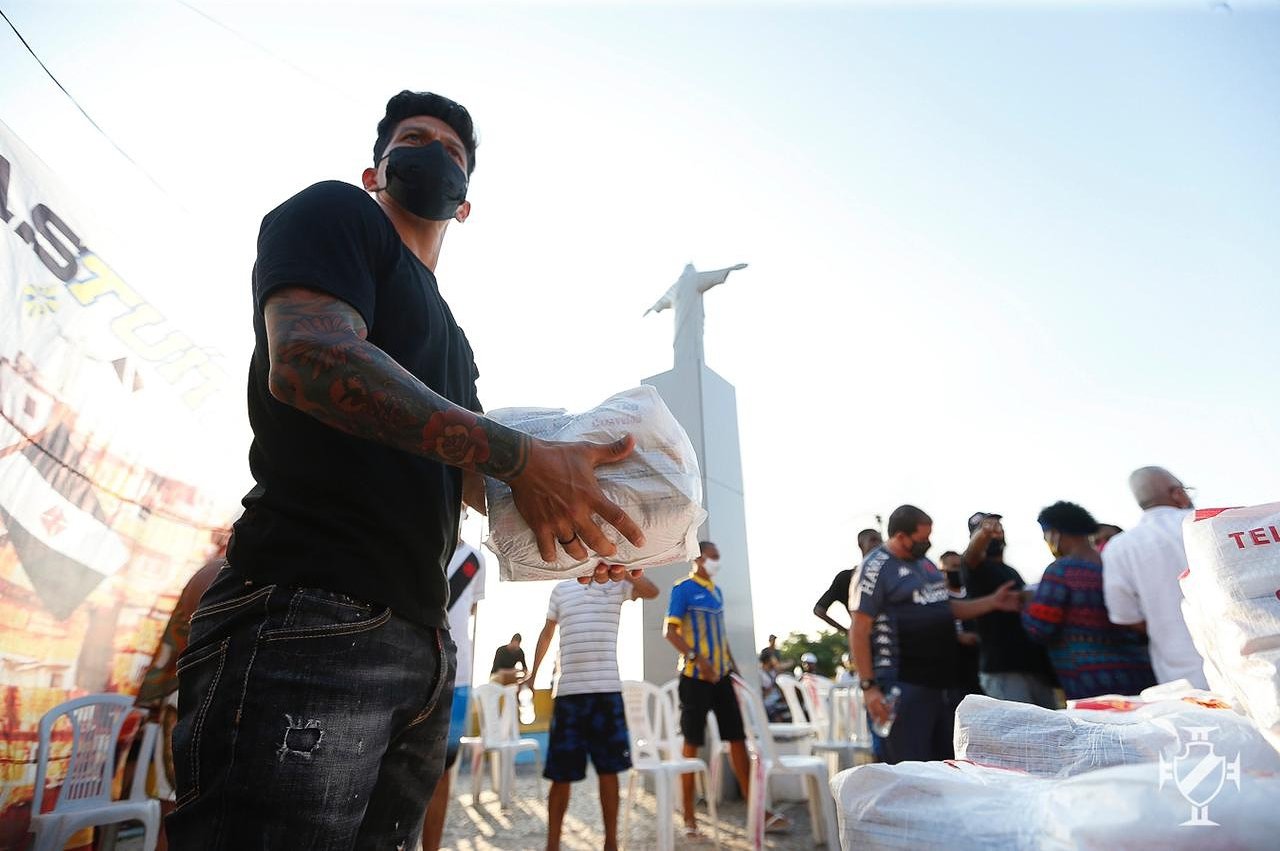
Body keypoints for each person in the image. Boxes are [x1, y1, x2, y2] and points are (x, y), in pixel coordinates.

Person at [169, 90, 647, 849]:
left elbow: (476, 480)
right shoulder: (337, 215)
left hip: (422, 647)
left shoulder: (453, 338)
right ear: (374, 170)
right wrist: (523, 455)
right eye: (414, 139)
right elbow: (309, 359)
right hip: (310, 617)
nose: (433, 153)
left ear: (465, 204)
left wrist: (583, 525)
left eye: (453, 151)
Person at [848, 505, 1022, 764]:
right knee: (909, 770)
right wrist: (869, 688)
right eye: (922, 538)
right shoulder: (874, 568)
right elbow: (859, 629)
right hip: (902, 685)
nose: (928, 543)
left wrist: (993, 602)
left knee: (945, 766)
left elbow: (947, 608)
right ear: (900, 536)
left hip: (940, 685)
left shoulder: (925, 565)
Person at [527, 571, 659, 851]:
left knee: (609, 771)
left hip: (606, 690)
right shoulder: (561, 588)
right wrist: (532, 676)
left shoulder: (619, 583)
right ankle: (552, 845)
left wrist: (625, 568)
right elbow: (547, 632)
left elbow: (651, 591)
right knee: (560, 775)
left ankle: (611, 843)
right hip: (568, 693)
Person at [665, 541, 788, 836]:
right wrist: (698, 659)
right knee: (692, 742)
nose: (716, 562)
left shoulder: (716, 593)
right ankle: (689, 816)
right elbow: (670, 631)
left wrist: (731, 667)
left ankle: (756, 810)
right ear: (698, 558)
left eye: (719, 557)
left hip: (721, 677)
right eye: (713, 557)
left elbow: (720, 636)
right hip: (695, 677)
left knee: (736, 739)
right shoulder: (682, 589)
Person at [134, 528, 229, 851]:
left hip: (187, 697)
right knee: (179, 809)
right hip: (196, 700)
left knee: (175, 809)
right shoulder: (221, 575)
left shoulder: (215, 573)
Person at [1022, 502, 1157, 700]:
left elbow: (1040, 628)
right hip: (1138, 671)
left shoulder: (1060, 570)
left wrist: (1025, 605)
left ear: (1055, 534)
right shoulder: (1113, 566)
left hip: (1088, 679)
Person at [1102, 466, 1209, 689]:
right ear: (1177, 493)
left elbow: (1125, 615)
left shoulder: (1120, 548)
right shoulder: (1209, 524)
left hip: (1182, 676)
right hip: (1249, 663)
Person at [421, 534, 487, 851]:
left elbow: (467, 611)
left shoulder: (475, 561)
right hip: (411, 670)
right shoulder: (416, 542)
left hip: (458, 677)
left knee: (442, 771)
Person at [960, 513, 1058, 708]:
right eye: (987, 528)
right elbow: (971, 556)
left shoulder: (1010, 571)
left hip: (1032, 666)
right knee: (1022, 734)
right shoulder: (975, 567)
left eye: (998, 528)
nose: (996, 532)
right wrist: (984, 533)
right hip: (1003, 668)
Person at [813, 529, 884, 632]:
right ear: (861, 545)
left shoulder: (893, 574)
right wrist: (847, 631)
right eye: (873, 540)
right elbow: (819, 610)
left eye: (880, 541)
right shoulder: (846, 578)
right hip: (866, 640)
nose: (878, 544)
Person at [938, 550, 982, 697]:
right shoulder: (938, 601)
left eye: (959, 566)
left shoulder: (974, 595)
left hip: (979, 667)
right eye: (953, 567)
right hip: (955, 674)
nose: (957, 571)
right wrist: (957, 637)